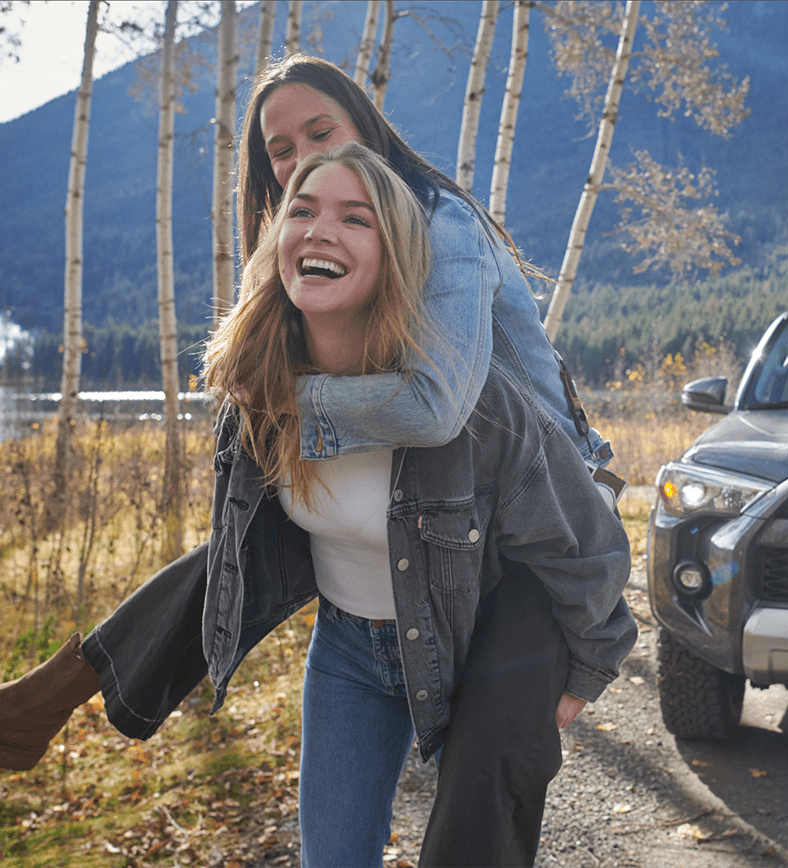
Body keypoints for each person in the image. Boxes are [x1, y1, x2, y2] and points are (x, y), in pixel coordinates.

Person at [0, 56, 622, 866]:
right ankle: (39, 701)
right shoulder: (284, 349)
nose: (301, 161)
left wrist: (591, 653)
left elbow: (441, 414)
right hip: (368, 612)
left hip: (519, 533)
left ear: (369, 135)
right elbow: (236, 548)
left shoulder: (440, 228)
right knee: (233, 552)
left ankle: (38, 701)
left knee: (478, 819)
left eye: (321, 134)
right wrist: (272, 389)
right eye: (283, 156)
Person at [202, 143, 633, 865]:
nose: (318, 229)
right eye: (301, 211)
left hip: (478, 646)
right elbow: (234, 542)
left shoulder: (475, 404)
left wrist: (581, 677)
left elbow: (588, 547)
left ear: (394, 256)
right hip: (346, 653)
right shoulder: (257, 394)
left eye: (354, 217)